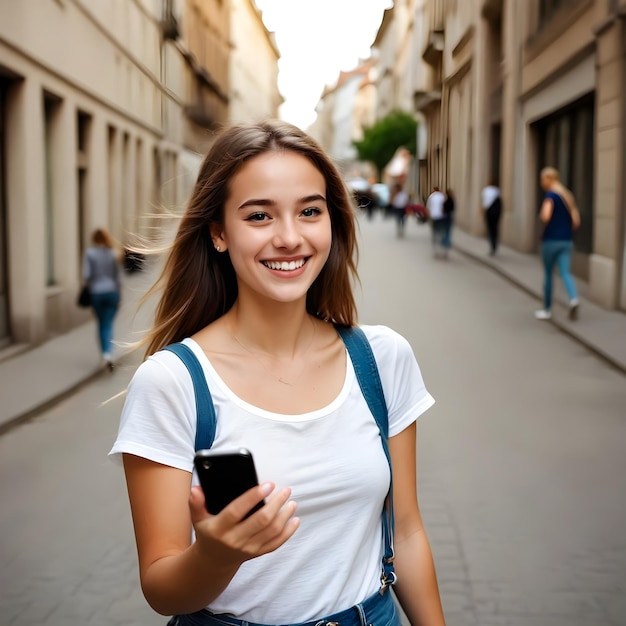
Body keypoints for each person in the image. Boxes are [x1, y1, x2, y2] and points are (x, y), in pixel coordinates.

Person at [109, 120, 445, 626]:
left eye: (310, 211)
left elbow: (409, 531)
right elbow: (161, 587)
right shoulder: (173, 383)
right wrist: (216, 557)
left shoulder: (382, 359)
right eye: (259, 216)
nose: (290, 238)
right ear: (219, 232)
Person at [534, 167, 581, 321]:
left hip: (551, 240)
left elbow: (545, 216)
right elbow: (576, 222)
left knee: (548, 274)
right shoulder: (568, 197)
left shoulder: (550, 196)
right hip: (566, 241)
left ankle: (547, 310)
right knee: (565, 272)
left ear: (550, 179)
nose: (542, 182)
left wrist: (543, 217)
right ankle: (574, 299)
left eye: (543, 179)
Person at [83, 227, 120, 370]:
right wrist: (119, 295)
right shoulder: (112, 254)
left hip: (97, 293)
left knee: (101, 324)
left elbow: (86, 275)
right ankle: (107, 353)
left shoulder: (90, 254)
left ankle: (105, 354)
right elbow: (117, 277)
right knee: (108, 323)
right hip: (112, 292)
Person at [481, 180, 502, 255]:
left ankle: (492, 246)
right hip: (496, 214)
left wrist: (483, 212)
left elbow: (485, 203)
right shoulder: (497, 191)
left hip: (489, 213)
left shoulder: (486, 191)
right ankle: (494, 245)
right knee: (495, 230)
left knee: (490, 230)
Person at [426, 186, 446, 257]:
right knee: (441, 231)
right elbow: (444, 207)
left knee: (434, 232)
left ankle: (436, 250)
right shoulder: (442, 196)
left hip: (434, 217)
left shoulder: (431, 196)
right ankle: (442, 249)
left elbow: (428, 207)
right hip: (441, 217)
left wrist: (428, 216)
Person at [441, 189, 455, 255]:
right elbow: (453, 208)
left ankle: (445, 242)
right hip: (449, 216)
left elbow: (443, 209)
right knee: (448, 230)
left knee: (445, 230)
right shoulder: (452, 201)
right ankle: (447, 242)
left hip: (445, 216)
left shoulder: (446, 201)